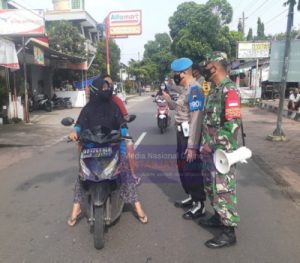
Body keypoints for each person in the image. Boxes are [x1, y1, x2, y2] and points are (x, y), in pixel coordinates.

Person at [67, 77, 147, 226]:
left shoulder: (113, 106)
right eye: (103, 88)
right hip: (91, 149)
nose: (107, 90)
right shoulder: (88, 108)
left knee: (126, 172)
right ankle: (76, 208)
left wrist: (123, 132)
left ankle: (137, 205)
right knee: (81, 175)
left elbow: (122, 124)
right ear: (96, 90)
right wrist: (74, 132)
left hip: (111, 147)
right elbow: (79, 124)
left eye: (107, 87)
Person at [198, 51, 240, 248]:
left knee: (223, 190)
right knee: (212, 188)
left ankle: (229, 232)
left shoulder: (229, 90)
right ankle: (218, 217)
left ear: (215, 66)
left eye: (207, 65)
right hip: (209, 152)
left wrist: (211, 143)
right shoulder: (214, 90)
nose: (205, 69)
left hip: (222, 153)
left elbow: (232, 127)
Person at [162, 57, 206, 220]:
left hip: (190, 136)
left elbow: (196, 118)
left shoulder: (195, 90)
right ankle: (191, 196)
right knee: (183, 167)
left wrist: (192, 146)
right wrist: (168, 100)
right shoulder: (186, 89)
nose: (175, 77)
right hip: (181, 133)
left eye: (176, 74)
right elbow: (178, 107)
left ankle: (199, 204)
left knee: (192, 169)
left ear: (184, 72)